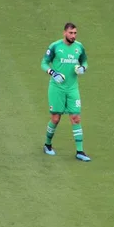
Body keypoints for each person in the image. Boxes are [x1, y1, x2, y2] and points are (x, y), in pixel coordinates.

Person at [40, 22, 91, 161]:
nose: (73, 36)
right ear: (64, 33)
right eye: (71, 33)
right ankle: (47, 145)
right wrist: (53, 73)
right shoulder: (55, 46)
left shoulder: (79, 47)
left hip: (72, 88)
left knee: (76, 118)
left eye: (75, 33)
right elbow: (44, 63)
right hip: (57, 88)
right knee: (55, 119)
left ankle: (80, 152)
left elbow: (85, 61)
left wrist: (83, 68)